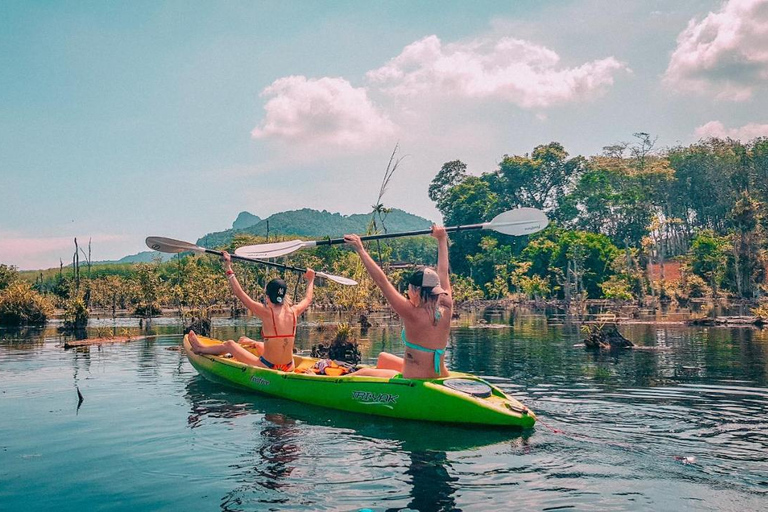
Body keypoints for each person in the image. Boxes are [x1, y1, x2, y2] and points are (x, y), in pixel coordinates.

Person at [344, 226, 453, 379]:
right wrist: (442, 239)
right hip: (439, 374)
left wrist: (361, 249)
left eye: (409, 289)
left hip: (415, 379)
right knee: (383, 358)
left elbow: (382, 282)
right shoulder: (446, 306)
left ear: (416, 291)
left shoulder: (411, 312)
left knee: (359, 374)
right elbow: (443, 272)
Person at [188, 251, 315, 372]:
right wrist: (311, 279)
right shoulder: (294, 311)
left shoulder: (266, 312)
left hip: (269, 366)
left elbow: (240, 293)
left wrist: (228, 267)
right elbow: (308, 298)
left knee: (230, 345)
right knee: (260, 345)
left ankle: (200, 349)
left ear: (267, 296)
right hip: (289, 366)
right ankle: (253, 343)